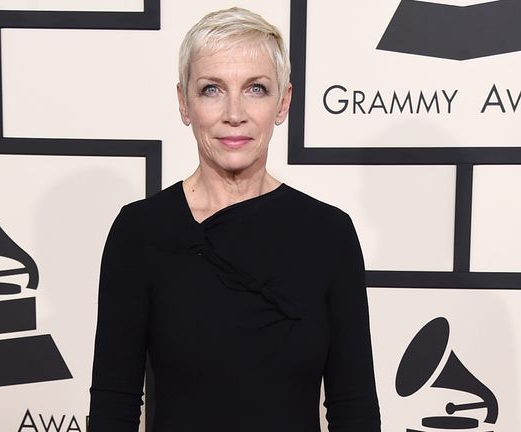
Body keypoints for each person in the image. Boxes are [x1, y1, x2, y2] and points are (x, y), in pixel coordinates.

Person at [89, 7, 381, 432]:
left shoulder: (328, 235)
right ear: (183, 103)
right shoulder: (140, 232)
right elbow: (113, 408)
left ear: (283, 103)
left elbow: (353, 408)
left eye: (256, 89)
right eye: (211, 89)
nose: (234, 113)